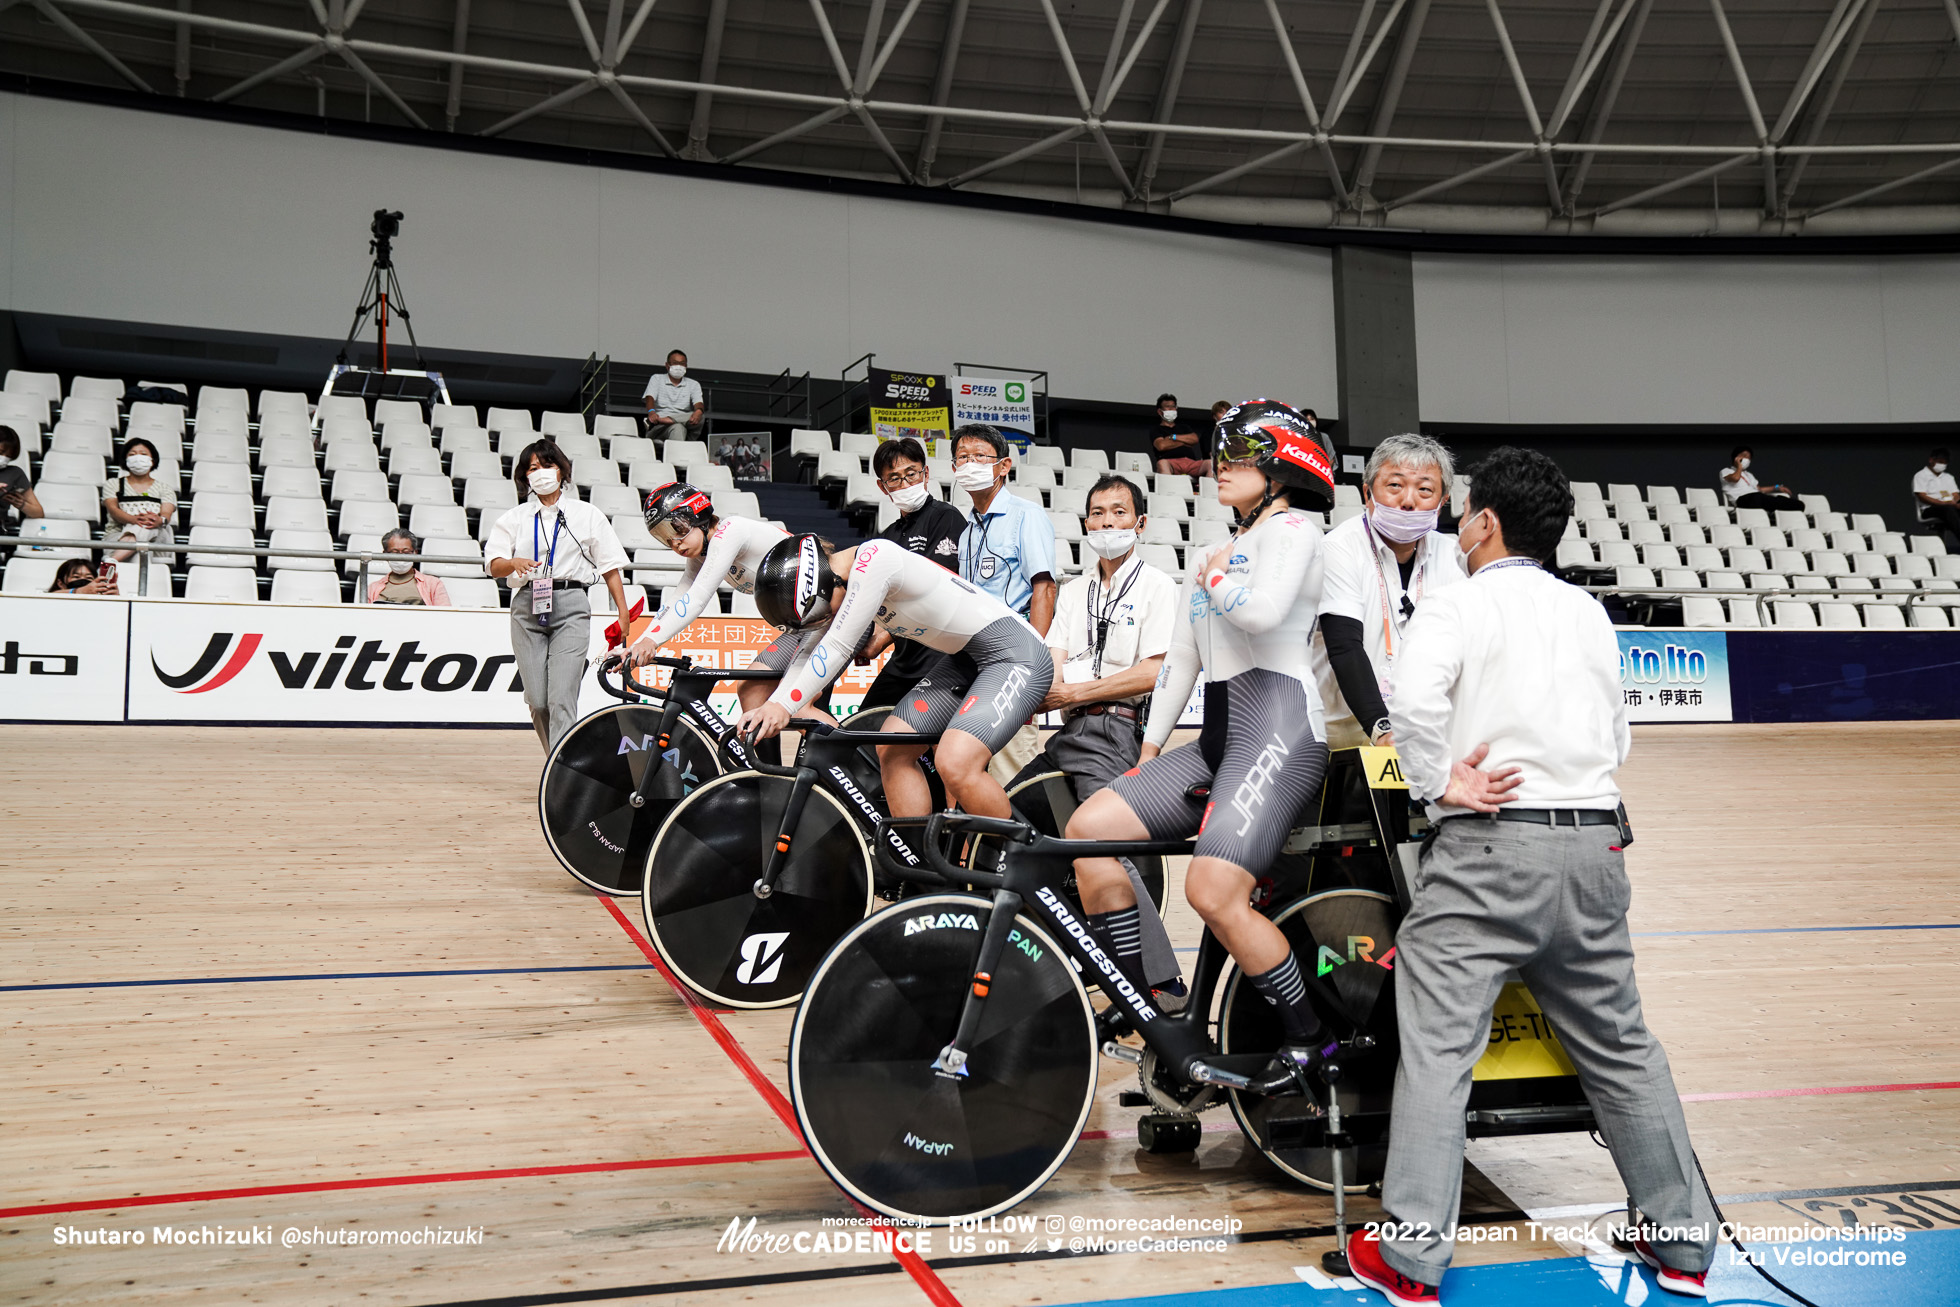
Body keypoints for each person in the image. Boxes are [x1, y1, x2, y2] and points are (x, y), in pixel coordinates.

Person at [1344, 446, 1716, 1306]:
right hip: (1594, 851)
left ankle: (1409, 1259)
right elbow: (1616, 738)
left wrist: (1443, 782)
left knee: (1439, 1054)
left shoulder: (1456, 602)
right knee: (1624, 1050)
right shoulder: (1588, 610)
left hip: (1488, 851)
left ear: (1483, 522)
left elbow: (1412, 708)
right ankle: (1683, 1245)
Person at [1064, 400, 1342, 1094]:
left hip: (1279, 730)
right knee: (1089, 829)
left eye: (1241, 458)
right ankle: (1149, 1014)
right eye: (1222, 457)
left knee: (1211, 890)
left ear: (1280, 469)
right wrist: (1151, 748)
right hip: (1219, 738)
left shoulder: (1297, 531)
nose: (1222, 469)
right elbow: (1182, 661)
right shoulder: (1218, 549)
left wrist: (1214, 575)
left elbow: (1265, 611)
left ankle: (1313, 1040)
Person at [737, 533, 1052, 829]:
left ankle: (1023, 863)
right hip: (965, 657)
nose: (819, 621)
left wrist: (783, 705)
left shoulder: (877, 559)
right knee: (891, 745)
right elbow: (809, 649)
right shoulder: (837, 581)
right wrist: (776, 703)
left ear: (821, 584)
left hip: (1014, 653)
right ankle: (916, 864)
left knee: (955, 763)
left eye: (816, 613)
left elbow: (838, 645)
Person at [620, 482, 834, 744]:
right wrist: (642, 641)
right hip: (803, 624)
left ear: (697, 515)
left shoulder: (731, 531)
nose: (674, 543)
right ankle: (768, 779)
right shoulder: (700, 553)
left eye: (676, 528)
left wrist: (651, 641)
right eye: (663, 536)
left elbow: (697, 599)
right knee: (751, 691)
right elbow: (678, 599)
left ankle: (854, 776)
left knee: (797, 706)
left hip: (832, 615)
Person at [1313, 433, 1466, 751]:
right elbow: (1344, 648)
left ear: (1442, 502)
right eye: (1395, 486)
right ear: (1367, 492)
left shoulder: (1453, 556)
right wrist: (1382, 729)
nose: (1409, 500)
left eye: (1425, 490)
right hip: (1343, 730)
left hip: (1422, 730)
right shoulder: (1339, 549)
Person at [1031, 473, 1178, 800]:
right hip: (1067, 732)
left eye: (1119, 512)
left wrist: (1071, 695)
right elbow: (1053, 662)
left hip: (1116, 731)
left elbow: (1153, 673)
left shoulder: (1158, 585)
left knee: (1098, 835)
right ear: (1087, 525)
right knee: (1011, 812)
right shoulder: (1073, 591)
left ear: (1140, 524)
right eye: (1097, 513)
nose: (1107, 522)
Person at [485, 440, 630, 751]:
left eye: (547, 466)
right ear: (525, 478)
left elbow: (610, 566)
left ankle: (562, 777)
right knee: (538, 701)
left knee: (561, 699)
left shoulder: (586, 514)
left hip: (572, 603)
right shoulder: (514, 518)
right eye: (533, 469)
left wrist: (623, 612)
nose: (541, 474)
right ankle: (560, 765)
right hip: (527, 605)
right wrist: (513, 563)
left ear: (562, 470)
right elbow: (494, 566)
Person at [952, 423, 1057, 781]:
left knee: (1011, 767)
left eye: (980, 456)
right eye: (962, 458)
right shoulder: (966, 532)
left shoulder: (1026, 515)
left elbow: (1044, 588)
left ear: (1004, 466)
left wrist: (1034, 661)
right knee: (970, 766)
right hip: (975, 657)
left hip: (1015, 657)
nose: (970, 464)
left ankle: (1022, 838)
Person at [857, 437, 967, 713]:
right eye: (894, 479)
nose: (905, 485)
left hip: (942, 658)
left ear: (925, 474)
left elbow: (932, 587)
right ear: (883, 487)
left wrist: (879, 640)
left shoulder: (947, 518)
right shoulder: (889, 536)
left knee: (923, 743)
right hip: (904, 660)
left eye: (911, 474)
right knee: (862, 729)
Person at [102, 437, 176, 564]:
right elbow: (113, 510)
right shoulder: (113, 484)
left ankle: (111, 563)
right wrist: (136, 521)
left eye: (143, 454)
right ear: (125, 460)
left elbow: (166, 514)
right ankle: (114, 563)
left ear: (152, 460)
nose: (137, 458)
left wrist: (159, 520)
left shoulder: (164, 488)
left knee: (147, 528)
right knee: (142, 550)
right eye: (132, 454)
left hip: (158, 539)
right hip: (117, 538)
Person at [366, 528, 453, 606]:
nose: (401, 557)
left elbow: (444, 615)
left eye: (406, 552)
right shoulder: (373, 588)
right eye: (394, 553)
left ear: (415, 553)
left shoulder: (433, 584)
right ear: (384, 555)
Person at [643, 350, 704, 442]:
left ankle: (664, 419)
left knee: (700, 415)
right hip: (658, 428)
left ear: (686, 366)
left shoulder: (694, 384)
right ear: (667, 365)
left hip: (683, 428)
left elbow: (699, 404)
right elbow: (649, 398)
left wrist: (698, 412)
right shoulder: (656, 379)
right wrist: (651, 412)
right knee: (678, 427)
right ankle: (666, 422)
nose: (679, 367)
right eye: (675, 363)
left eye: (682, 364)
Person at [1719, 445, 1800, 511]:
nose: (1747, 459)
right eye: (1744, 456)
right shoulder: (1726, 471)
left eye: (1749, 458)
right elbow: (1735, 478)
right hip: (1742, 500)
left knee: (1795, 504)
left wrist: (1777, 487)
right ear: (1736, 458)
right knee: (1758, 498)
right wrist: (1739, 466)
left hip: (1757, 497)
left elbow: (1759, 489)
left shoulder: (1749, 475)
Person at [1, 424, 47, 538]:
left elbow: (38, 513)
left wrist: (22, 504)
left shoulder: (15, 474)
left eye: (9, 456)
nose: (4, 458)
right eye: (1, 452)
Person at [1150, 393, 1210, 478]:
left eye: (1173, 406)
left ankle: (1208, 490)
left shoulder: (1184, 427)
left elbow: (1194, 439)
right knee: (1162, 463)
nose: (1171, 409)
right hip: (1170, 463)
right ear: (1160, 411)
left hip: (1191, 463)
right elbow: (1161, 445)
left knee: (1211, 464)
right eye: (1168, 407)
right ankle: (1169, 490)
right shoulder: (1156, 429)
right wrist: (1184, 442)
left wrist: (1173, 437)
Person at [1912, 447, 1960, 550]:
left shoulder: (1948, 477)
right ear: (1931, 460)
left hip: (1949, 505)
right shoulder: (1921, 475)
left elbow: (1956, 494)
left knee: (1952, 508)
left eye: (1945, 463)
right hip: (1930, 508)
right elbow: (1921, 496)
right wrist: (1941, 503)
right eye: (1940, 462)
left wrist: (1954, 502)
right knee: (1949, 509)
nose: (1942, 465)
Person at [49, 557, 117, 594]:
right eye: (76, 577)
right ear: (60, 583)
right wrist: (78, 591)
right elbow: (52, 595)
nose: (82, 579)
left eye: (89, 577)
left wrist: (115, 598)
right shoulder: (48, 599)